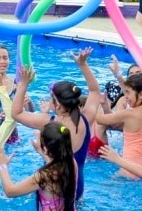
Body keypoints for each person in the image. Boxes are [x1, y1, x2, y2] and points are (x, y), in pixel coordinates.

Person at [10, 48, 101, 200]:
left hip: (54, 187)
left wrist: (23, 84)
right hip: (77, 186)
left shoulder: (50, 122)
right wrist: (83, 64)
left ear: (57, 105)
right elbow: (94, 91)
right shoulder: (86, 119)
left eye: (51, 98)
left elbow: (16, 113)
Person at [0, 122, 84, 211]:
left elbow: (10, 191)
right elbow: (54, 167)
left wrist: (2, 166)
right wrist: (41, 150)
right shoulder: (71, 162)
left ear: (46, 149)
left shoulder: (43, 176)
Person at [96, 73, 142, 178]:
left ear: (141, 94)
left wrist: (97, 102)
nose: (126, 96)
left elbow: (100, 119)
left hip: (129, 169)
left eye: (128, 93)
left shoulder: (129, 114)